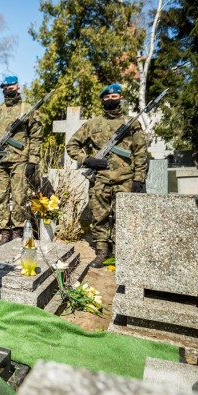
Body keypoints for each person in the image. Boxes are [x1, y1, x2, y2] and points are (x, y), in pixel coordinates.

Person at [66, 83, 148, 268]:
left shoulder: (132, 123)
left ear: (121, 98)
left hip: (126, 179)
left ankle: (121, 253)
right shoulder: (92, 124)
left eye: (115, 96)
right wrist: (87, 160)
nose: (111, 99)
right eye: (107, 97)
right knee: (99, 217)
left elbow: (141, 152)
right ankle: (102, 252)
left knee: (124, 217)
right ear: (102, 99)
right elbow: (72, 146)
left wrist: (139, 179)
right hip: (100, 179)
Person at [0, 75, 43, 247]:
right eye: (6, 87)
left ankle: (17, 232)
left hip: (20, 161)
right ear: (3, 89)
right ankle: (4, 233)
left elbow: (36, 137)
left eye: (12, 86)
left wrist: (33, 161)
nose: (9, 89)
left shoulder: (28, 110)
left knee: (19, 198)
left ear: (18, 86)